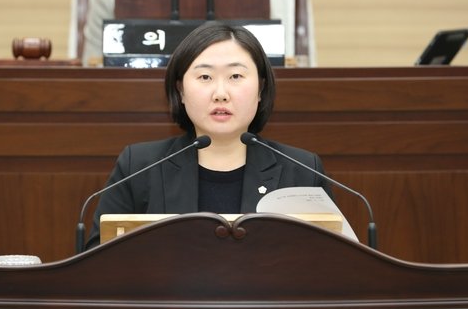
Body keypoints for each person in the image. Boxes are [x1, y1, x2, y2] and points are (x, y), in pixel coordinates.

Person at [85, 22, 343, 249]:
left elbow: (333, 265)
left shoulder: (302, 171)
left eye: (235, 76)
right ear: (181, 90)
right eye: (205, 76)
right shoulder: (139, 167)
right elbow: (96, 262)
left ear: (261, 89)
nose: (221, 93)